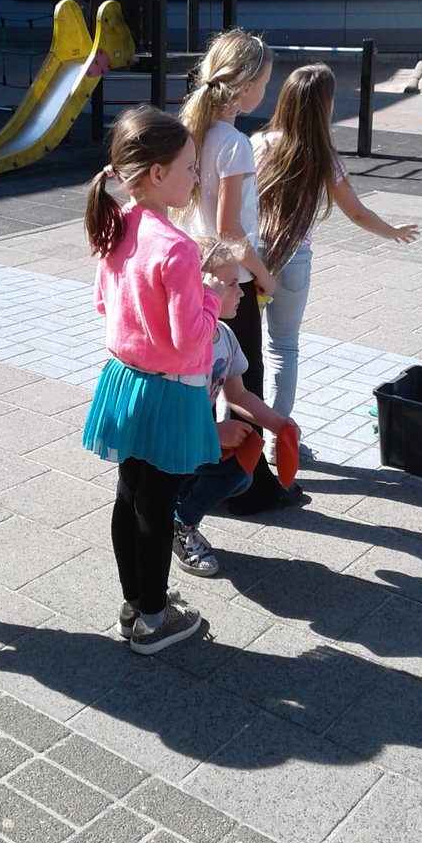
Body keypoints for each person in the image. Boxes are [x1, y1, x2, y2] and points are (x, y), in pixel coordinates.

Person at [82, 106, 227, 656]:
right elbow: (193, 341)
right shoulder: (177, 247)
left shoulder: (116, 224)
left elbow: (103, 301)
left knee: (129, 497)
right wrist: (216, 300)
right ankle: (153, 617)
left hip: (123, 381)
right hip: (168, 391)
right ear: (157, 174)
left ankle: (136, 602)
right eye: (190, 167)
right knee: (155, 505)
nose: (196, 177)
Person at [254, 63, 418, 464]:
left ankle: (234, 435)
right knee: (283, 348)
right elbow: (357, 213)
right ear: (323, 107)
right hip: (293, 260)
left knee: (238, 348)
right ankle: (279, 440)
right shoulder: (324, 156)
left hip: (251, 258)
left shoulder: (258, 143)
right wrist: (391, 231)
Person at [178, 28, 298, 515]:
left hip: (195, 271)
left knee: (199, 383)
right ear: (246, 86)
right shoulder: (234, 142)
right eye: (265, 82)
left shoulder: (193, 130)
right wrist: (264, 274)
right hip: (230, 280)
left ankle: (197, 486)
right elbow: (230, 226)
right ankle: (245, 489)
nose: (265, 92)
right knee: (240, 379)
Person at [173, 238, 300, 576]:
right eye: (232, 284)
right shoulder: (185, 346)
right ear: (201, 290)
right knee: (228, 472)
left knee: (242, 476)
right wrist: (215, 431)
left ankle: (175, 506)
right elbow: (172, 416)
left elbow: (239, 395)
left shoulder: (226, 335)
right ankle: (181, 524)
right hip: (170, 442)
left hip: (193, 440)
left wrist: (278, 424)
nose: (242, 292)